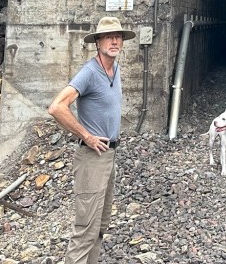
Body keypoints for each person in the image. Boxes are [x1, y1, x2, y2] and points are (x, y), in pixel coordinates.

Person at [48, 15, 136, 264]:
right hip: (92, 158)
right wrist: (86, 135)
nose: (114, 41)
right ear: (97, 42)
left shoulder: (115, 68)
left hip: (110, 155)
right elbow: (56, 107)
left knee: (100, 225)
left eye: (117, 36)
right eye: (108, 37)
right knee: (85, 229)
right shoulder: (88, 72)